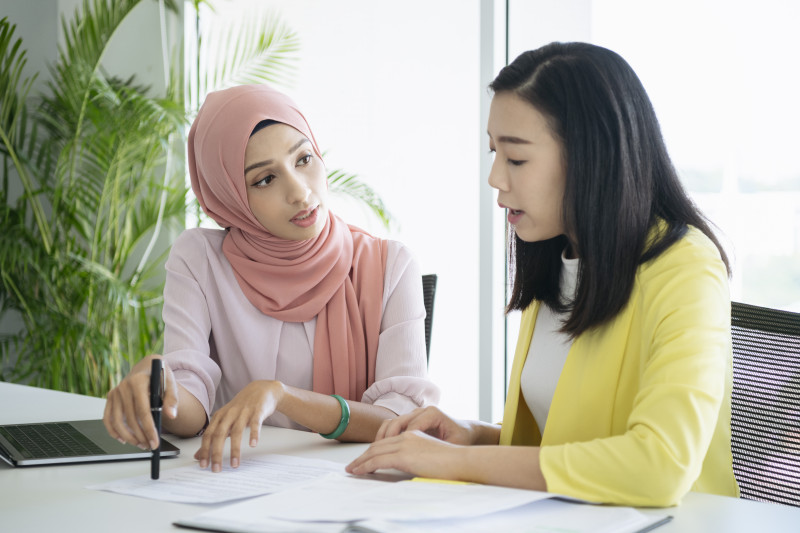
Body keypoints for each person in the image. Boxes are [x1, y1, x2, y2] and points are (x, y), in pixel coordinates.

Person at [346, 41, 739, 507]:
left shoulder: (686, 269)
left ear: (594, 157)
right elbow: (569, 448)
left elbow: (659, 466)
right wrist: (473, 437)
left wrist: (455, 464)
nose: (495, 177)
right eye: (494, 153)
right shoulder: (556, 253)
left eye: (516, 158)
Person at [103, 84, 439, 472]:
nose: (299, 192)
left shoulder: (390, 265)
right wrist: (160, 386)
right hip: (236, 479)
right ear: (229, 197)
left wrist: (282, 397)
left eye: (303, 159)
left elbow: (403, 421)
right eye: (265, 179)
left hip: (350, 481)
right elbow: (191, 409)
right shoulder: (200, 259)